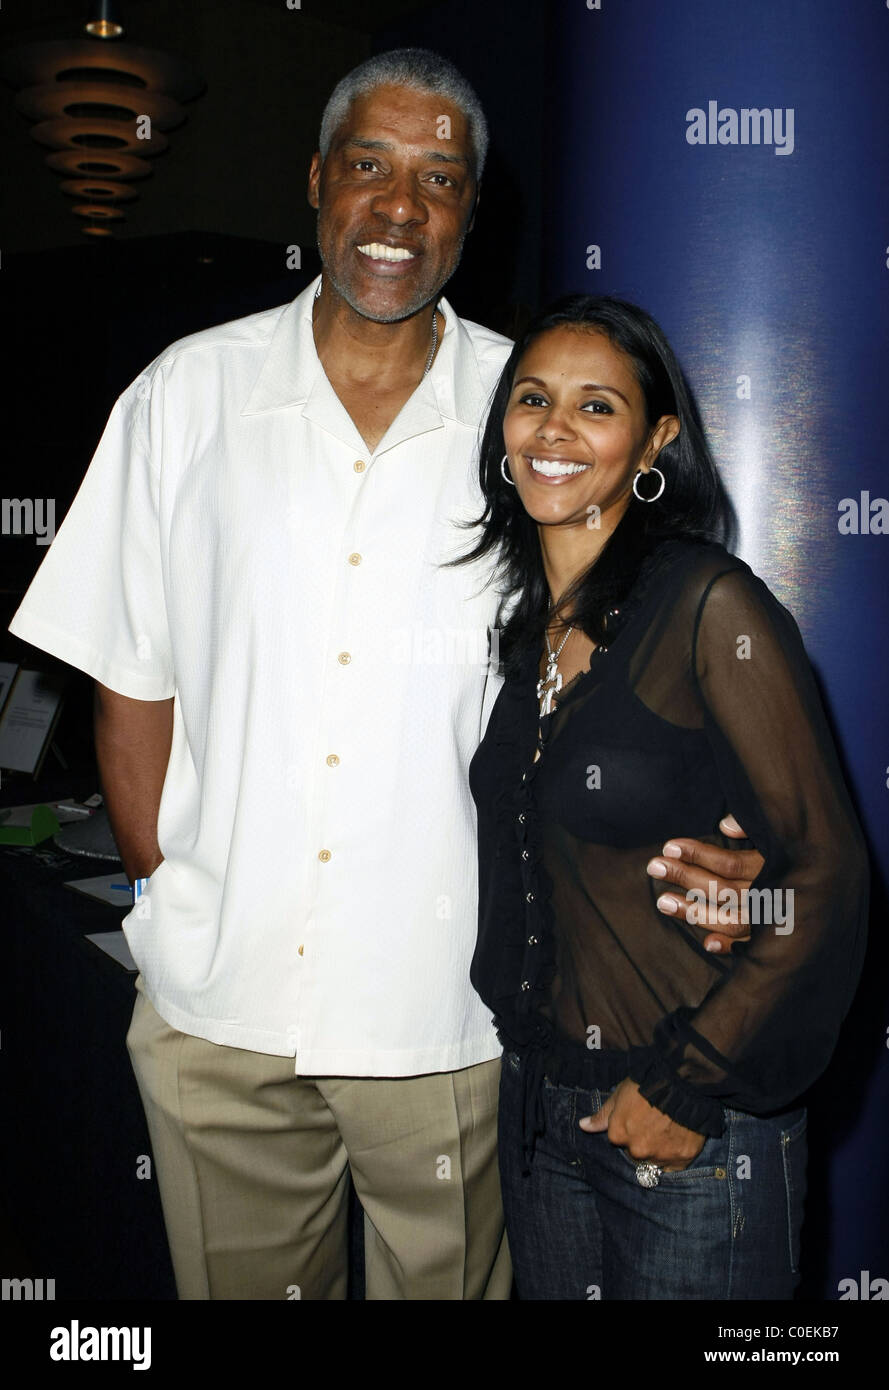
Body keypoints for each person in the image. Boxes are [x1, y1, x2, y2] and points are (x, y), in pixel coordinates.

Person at [8, 54, 760, 1300]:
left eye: (439, 179)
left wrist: (721, 841)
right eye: (370, 165)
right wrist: (165, 886)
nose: (399, 208)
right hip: (218, 1002)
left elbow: (635, 674)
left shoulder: (531, 417)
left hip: (446, 1021)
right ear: (316, 181)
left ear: (473, 213)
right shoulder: (184, 397)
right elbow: (128, 677)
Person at [464, 294, 869, 1300]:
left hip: (685, 1133)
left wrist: (684, 1085)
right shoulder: (526, 634)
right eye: (531, 399)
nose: (554, 428)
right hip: (541, 1114)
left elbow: (827, 873)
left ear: (656, 439)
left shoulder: (706, 604)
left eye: (595, 406)